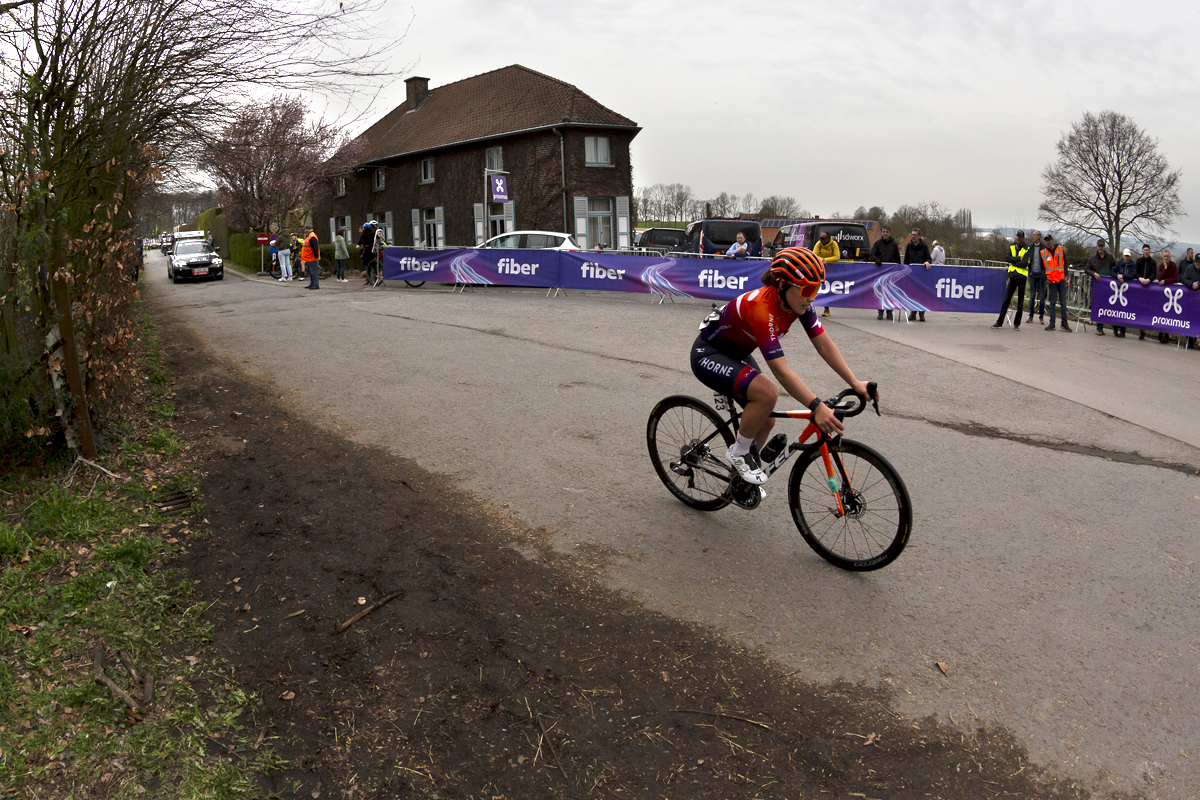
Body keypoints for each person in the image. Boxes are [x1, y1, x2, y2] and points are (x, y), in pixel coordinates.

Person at [690, 247, 875, 486]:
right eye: (807, 289)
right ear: (782, 285)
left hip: (737, 353)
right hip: (709, 354)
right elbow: (781, 371)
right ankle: (737, 454)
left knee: (766, 420)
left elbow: (824, 346)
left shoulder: (800, 304)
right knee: (767, 394)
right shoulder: (762, 309)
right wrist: (816, 406)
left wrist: (855, 382)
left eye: (817, 288)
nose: (812, 297)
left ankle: (740, 477)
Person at [991, 230, 1030, 330]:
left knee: (1020, 302)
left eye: (1020, 237)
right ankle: (999, 322)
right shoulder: (1012, 246)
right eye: (1017, 236)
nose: (1018, 238)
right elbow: (1007, 258)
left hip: (1022, 277)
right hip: (1013, 276)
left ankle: (1017, 324)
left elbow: (1025, 263)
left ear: (1023, 238)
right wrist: (1018, 259)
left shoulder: (1027, 248)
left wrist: (1014, 261)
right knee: (1006, 300)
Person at [1083, 239, 1115, 335]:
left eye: (1102, 246)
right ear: (1097, 246)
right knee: (1098, 305)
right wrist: (1094, 274)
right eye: (1099, 246)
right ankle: (1099, 327)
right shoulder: (1092, 258)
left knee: (1108, 306)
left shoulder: (1110, 258)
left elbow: (1115, 268)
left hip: (1108, 286)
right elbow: (1086, 269)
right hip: (1097, 286)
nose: (1100, 248)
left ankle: (1114, 326)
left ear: (1104, 247)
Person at [870, 225, 901, 320]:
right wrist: (877, 260)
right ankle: (880, 311)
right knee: (880, 292)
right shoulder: (877, 244)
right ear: (881, 233)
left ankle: (889, 312)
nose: (885, 233)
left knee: (890, 292)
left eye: (887, 231)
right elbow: (872, 254)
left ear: (889, 233)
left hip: (891, 272)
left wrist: (898, 267)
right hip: (880, 271)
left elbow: (897, 258)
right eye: (883, 231)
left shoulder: (894, 244)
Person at [1041, 234, 1069, 331]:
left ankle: (1064, 323)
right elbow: (1042, 268)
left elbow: (1065, 263)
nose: (1047, 242)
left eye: (1049, 240)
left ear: (1052, 240)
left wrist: (1065, 274)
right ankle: (1052, 323)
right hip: (1051, 281)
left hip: (1061, 280)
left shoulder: (1060, 249)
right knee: (1052, 303)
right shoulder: (1044, 253)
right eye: (1046, 241)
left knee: (1063, 302)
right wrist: (1046, 278)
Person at [904, 228, 932, 321]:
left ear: (919, 236)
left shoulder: (924, 246)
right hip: (912, 274)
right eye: (912, 234)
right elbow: (906, 260)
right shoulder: (909, 246)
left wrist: (927, 262)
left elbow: (929, 258)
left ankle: (921, 313)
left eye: (914, 235)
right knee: (913, 294)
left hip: (922, 274)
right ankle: (913, 312)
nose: (912, 236)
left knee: (922, 294)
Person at [1111, 248, 1138, 337]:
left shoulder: (1132, 264)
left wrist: (1124, 277)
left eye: (1128, 256)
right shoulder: (1119, 263)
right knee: (1117, 310)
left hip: (1128, 290)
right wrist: (1117, 277)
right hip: (1118, 290)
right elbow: (1113, 271)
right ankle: (1115, 328)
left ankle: (1123, 331)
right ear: (1123, 256)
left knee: (1125, 311)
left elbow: (1133, 274)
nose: (1126, 258)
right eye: (1125, 256)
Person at [813, 230, 840, 317]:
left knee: (828, 289)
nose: (820, 240)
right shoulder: (818, 243)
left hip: (831, 270)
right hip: (820, 269)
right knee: (816, 288)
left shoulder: (834, 244)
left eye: (823, 238)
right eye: (820, 238)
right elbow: (814, 255)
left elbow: (837, 256)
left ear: (828, 239)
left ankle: (827, 309)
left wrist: (826, 260)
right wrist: (822, 261)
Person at [1134, 244, 1157, 339]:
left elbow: (1154, 274)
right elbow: (1136, 272)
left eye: (1147, 250)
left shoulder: (1153, 262)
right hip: (1140, 288)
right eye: (1144, 250)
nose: (1146, 251)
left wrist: (1149, 280)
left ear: (1150, 251)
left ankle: (1147, 327)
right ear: (1142, 251)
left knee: (1147, 310)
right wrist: (1139, 278)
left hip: (1149, 288)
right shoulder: (1139, 261)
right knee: (1140, 310)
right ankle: (1141, 331)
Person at [1156, 249, 1178, 343]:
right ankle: (1161, 334)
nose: (1165, 258)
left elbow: (1176, 278)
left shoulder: (1173, 266)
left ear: (1170, 257)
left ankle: (1167, 334)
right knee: (1161, 313)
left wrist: (1166, 281)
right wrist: (1164, 269)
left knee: (1168, 315)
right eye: (1164, 256)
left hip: (1171, 293)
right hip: (1162, 293)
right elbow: (1159, 278)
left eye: (1167, 256)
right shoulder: (1161, 266)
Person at [1025, 230, 1046, 323]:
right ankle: (1031, 316)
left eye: (1034, 235)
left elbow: (1046, 261)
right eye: (1032, 235)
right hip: (1033, 274)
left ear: (1038, 236)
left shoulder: (1044, 248)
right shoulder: (1030, 247)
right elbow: (1027, 259)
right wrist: (1029, 271)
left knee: (1041, 297)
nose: (1033, 236)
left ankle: (1041, 316)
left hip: (1041, 275)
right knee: (1032, 296)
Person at [1180, 253, 1200, 349]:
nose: (1197, 263)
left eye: (1199, 262)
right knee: (1190, 319)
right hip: (1190, 299)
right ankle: (1190, 340)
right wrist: (1191, 284)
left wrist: (1198, 284)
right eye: (1196, 261)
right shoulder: (1189, 268)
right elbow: (1183, 279)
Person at [300, 224, 321, 290]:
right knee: (311, 272)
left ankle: (315, 284)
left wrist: (316, 256)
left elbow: (315, 247)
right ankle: (312, 284)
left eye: (305, 229)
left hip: (312, 258)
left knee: (314, 272)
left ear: (307, 229)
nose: (304, 230)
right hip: (308, 258)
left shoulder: (312, 237)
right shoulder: (309, 236)